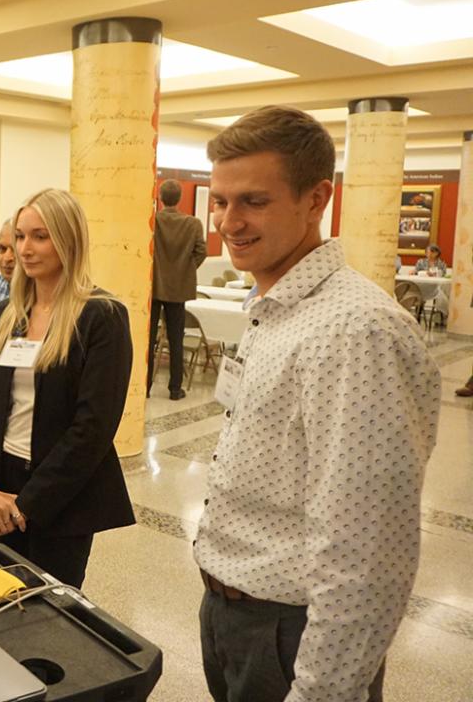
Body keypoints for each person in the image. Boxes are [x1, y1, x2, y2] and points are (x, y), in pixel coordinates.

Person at [196, 106, 439, 702]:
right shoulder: (277, 306)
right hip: (232, 612)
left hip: (291, 631)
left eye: (254, 200)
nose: (230, 221)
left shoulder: (355, 331)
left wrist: (322, 692)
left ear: (316, 199)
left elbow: (366, 551)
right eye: (221, 201)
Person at [0, 188, 135, 588]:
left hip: (61, 497)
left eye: (40, 236)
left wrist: (26, 507)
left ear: (68, 239)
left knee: (50, 616)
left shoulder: (101, 317)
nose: (24, 248)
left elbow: (91, 430)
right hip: (1, 484)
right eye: (20, 236)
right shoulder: (9, 313)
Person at [147, 179, 206, 400]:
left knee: (149, 339)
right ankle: (174, 388)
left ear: (161, 198)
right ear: (179, 198)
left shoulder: (154, 222)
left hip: (154, 288)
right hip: (178, 290)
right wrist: (185, 271)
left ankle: (145, 388)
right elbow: (201, 252)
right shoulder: (193, 224)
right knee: (176, 339)